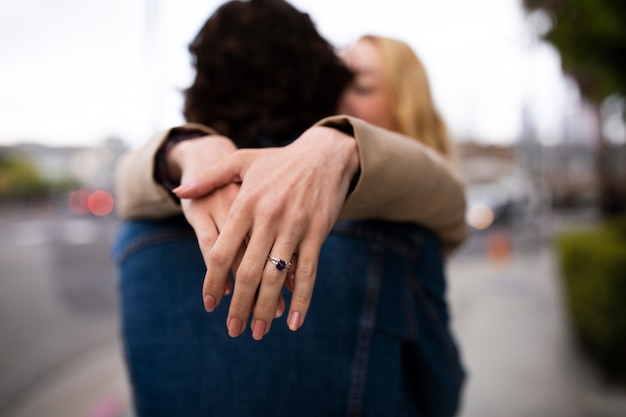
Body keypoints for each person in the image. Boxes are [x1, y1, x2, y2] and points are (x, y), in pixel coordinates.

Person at [113, 1, 466, 415]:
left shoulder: (135, 238)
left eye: (361, 83)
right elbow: (440, 394)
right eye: (342, 79)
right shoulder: (397, 237)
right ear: (320, 85)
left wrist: (341, 144)